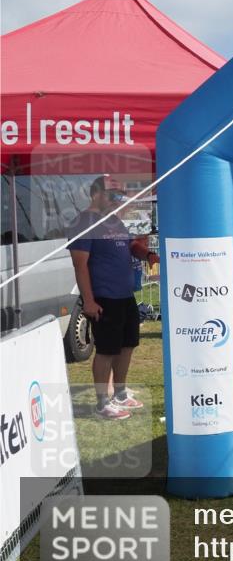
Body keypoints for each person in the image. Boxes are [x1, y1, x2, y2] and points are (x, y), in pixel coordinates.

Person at [68, 176, 159, 420]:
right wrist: (88, 300)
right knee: (106, 350)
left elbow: (131, 246)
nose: (118, 199)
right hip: (103, 297)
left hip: (125, 295)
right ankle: (102, 402)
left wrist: (148, 254)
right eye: (113, 194)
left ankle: (119, 393)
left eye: (120, 194)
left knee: (127, 345)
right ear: (96, 193)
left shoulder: (115, 220)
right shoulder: (83, 222)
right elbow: (80, 265)